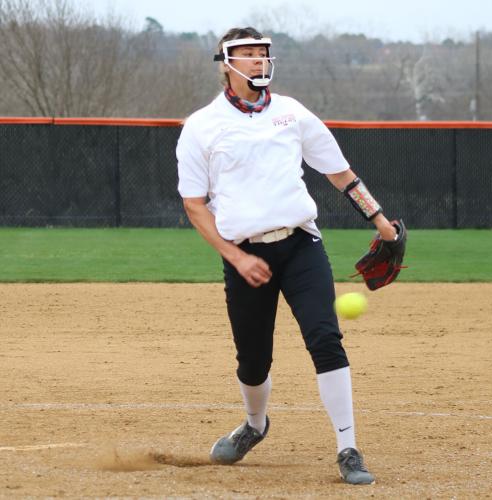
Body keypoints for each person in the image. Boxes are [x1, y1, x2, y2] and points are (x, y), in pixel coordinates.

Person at [176, 26, 402, 486]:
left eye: (263, 53)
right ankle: (255, 425)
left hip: (301, 244)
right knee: (252, 361)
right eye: (248, 54)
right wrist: (234, 257)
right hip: (245, 254)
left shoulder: (292, 114)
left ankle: (348, 448)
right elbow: (194, 204)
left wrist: (379, 220)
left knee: (325, 339)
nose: (259, 61)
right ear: (226, 63)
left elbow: (340, 173)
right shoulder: (201, 126)